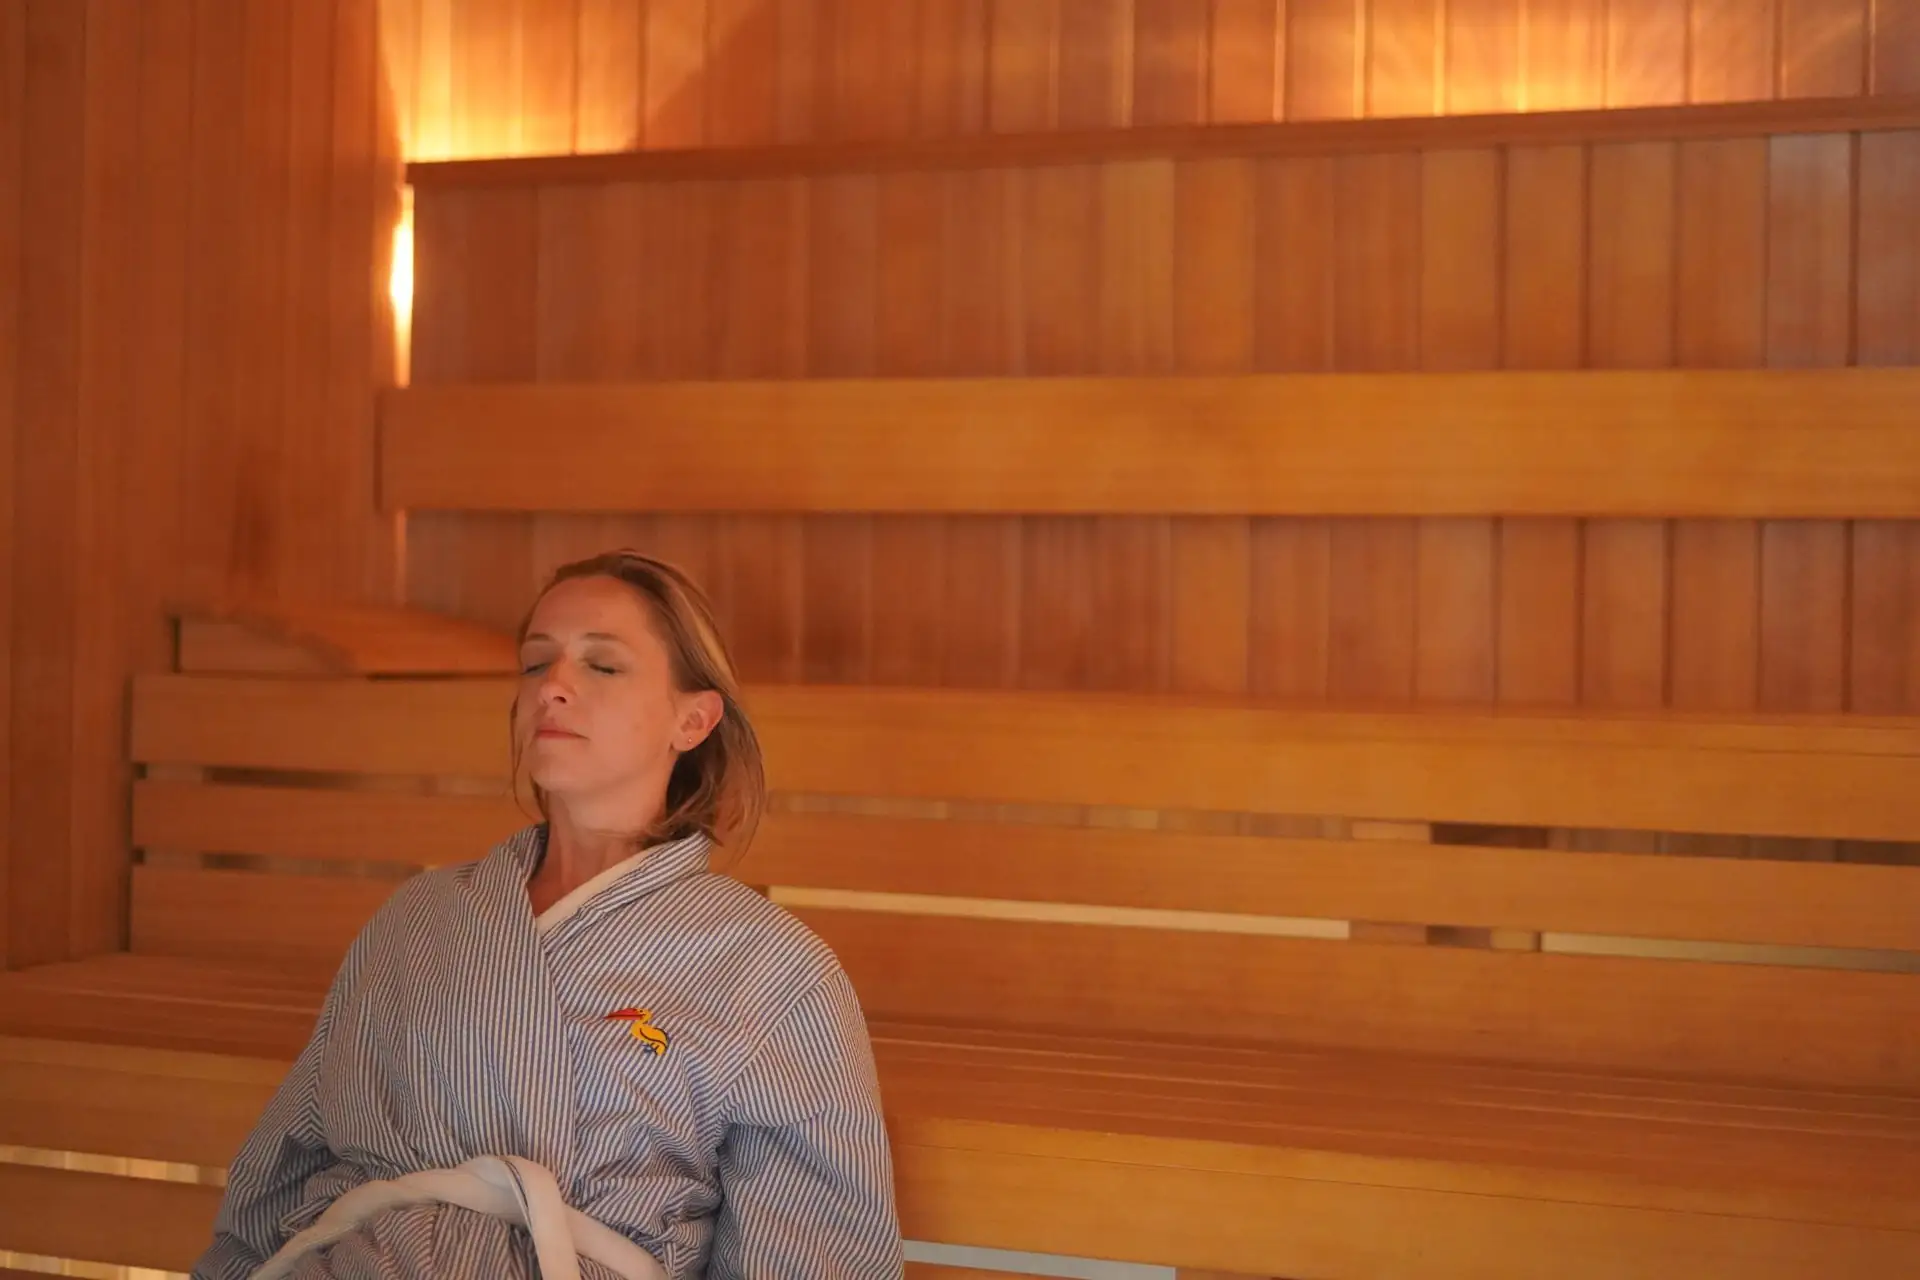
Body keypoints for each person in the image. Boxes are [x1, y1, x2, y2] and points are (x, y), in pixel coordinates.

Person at [193, 550, 905, 1279]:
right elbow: (286, 1163)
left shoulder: (774, 972)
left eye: (601, 666)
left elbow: (815, 1256)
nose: (554, 688)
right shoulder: (420, 918)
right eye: (537, 664)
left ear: (692, 719)